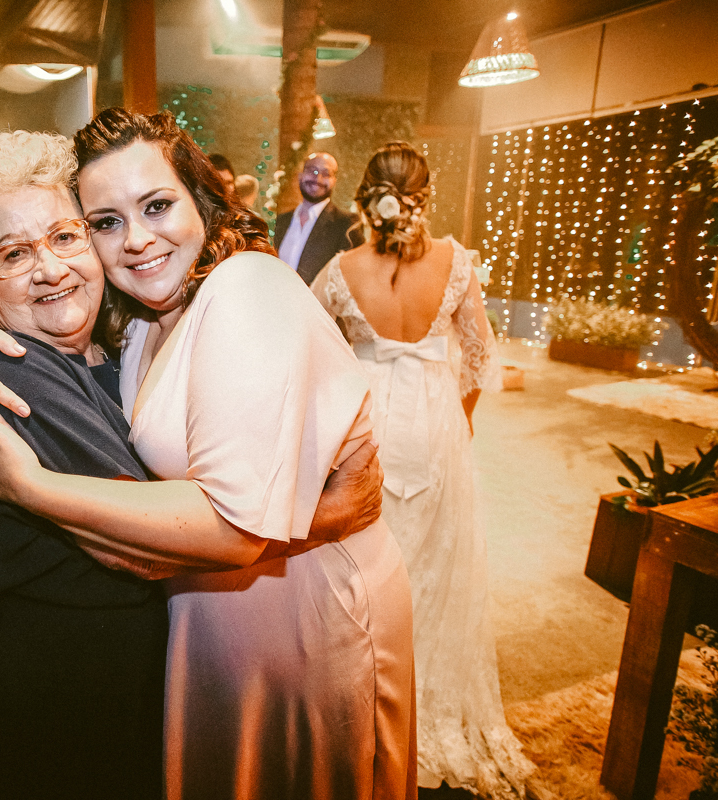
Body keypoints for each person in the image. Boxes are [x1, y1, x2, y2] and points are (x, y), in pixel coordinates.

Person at [0, 109, 416, 800]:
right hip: (201, 629)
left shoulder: (241, 290)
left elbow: (203, 535)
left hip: (302, 621)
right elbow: (134, 545)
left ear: (204, 201)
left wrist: (28, 486)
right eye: (105, 222)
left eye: (157, 205)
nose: (134, 239)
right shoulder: (128, 320)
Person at [0, 130, 170, 800]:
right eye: (14, 254)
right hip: (44, 692)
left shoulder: (106, 340)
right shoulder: (12, 373)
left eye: (63, 236)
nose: (50, 269)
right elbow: (146, 549)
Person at [311, 141, 535, 799]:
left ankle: (360, 714)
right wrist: (457, 421)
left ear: (364, 199)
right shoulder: (456, 262)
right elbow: (479, 357)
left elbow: (310, 356)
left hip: (365, 433)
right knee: (434, 576)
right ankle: (426, 714)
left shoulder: (339, 270)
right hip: (436, 432)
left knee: (361, 573)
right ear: (424, 198)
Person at [273, 151, 363, 284]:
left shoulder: (347, 225)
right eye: (312, 171)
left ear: (334, 181)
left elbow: (352, 278)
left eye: (326, 174)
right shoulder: (281, 221)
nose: (318, 178)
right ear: (300, 175)